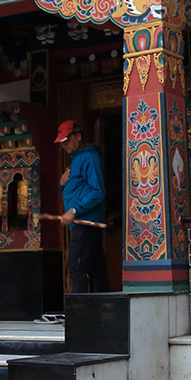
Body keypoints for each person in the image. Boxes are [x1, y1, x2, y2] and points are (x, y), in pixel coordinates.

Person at [55, 120, 108, 293]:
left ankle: (81, 308)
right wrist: (61, 183)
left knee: (76, 266)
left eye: (67, 140)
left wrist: (74, 210)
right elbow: (77, 187)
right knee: (95, 269)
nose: (65, 145)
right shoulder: (77, 159)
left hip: (85, 222)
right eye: (62, 142)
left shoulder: (89, 157)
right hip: (83, 222)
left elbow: (97, 191)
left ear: (78, 136)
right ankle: (100, 306)